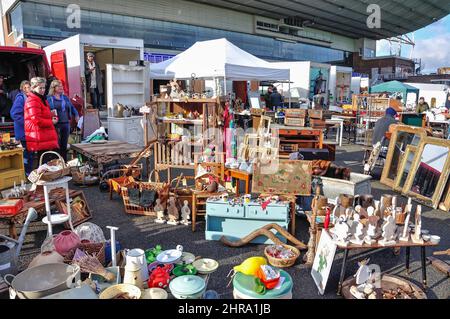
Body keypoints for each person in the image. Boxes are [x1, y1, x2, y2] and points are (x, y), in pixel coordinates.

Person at [24, 77, 59, 161]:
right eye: (40, 88)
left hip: (44, 136)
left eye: (44, 88)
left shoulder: (40, 98)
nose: (43, 90)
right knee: (45, 164)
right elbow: (37, 120)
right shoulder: (32, 100)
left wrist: (51, 114)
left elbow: (42, 114)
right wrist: (51, 122)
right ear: (33, 88)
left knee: (49, 163)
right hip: (40, 136)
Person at [47, 80, 80, 161]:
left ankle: (64, 162)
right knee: (57, 144)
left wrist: (76, 115)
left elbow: (72, 107)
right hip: (56, 124)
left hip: (66, 123)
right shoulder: (49, 98)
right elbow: (47, 110)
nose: (61, 88)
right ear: (54, 88)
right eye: (59, 86)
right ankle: (56, 162)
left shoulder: (65, 97)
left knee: (64, 144)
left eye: (62, 86)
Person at [10, 80, 33, 175]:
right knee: (26, 154)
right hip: (23, 131)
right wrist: (27, 122)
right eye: (25, 88)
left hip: (29, 131)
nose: (27, 89)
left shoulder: (30, 97)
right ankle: (26, 174)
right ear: (21, 89)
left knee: (30, 153)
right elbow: (14, 114)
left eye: (29, 87)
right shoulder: (20, 98)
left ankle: (28, 173)